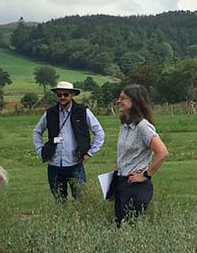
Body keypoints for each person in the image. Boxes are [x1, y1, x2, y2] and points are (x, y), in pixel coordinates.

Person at [32, 81, 105, 200]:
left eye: (65, 94)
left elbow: (100, 133)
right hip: (54, 165)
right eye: (59, 95)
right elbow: (37, 131)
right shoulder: (50, 112)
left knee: (81, 200)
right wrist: (40, 150)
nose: (62, 97)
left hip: (75, 163)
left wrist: (89, 153)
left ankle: (79, 219)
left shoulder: (83, 111)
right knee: (59, 201)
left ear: (72, 95)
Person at [112, 84, 168, 225]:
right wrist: (113, 185)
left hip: (135, 186)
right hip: (121, 183)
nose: (119, 101)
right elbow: (121, 157)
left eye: (123, 98)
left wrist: (145, 175)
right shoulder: (125, 126)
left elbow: (162, 152)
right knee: (120, 226)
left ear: (135, 101)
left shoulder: (143, 126)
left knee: (131, 227)